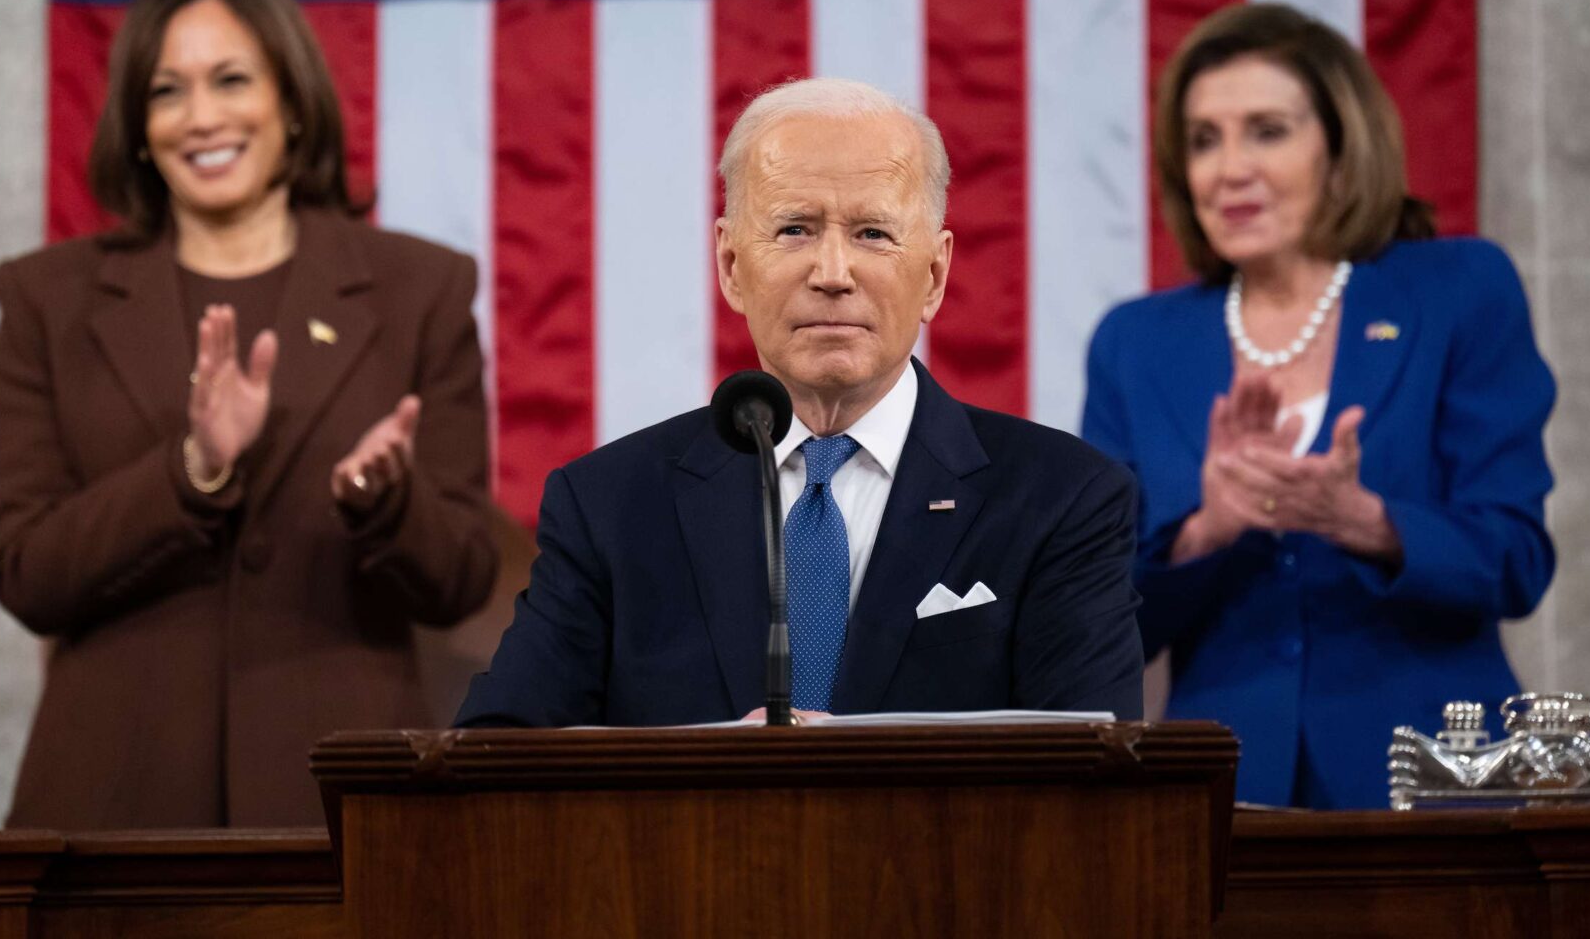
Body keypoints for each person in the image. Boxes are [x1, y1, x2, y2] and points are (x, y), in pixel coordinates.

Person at [455, 79, 1143, 729]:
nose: (832, 274)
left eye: (872, 233)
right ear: (730, 265)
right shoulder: (609, 505)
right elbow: (500, 747)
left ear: (933, 275)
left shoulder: (1062, 499)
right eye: (794, 230)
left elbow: (1096, 781)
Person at [0, 0, 499, 828]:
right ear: (137, 128)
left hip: (345, 810)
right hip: (112, 808)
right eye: (166, 92)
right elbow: (29, 576)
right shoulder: (48, 298)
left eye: (231, 79)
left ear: (293, 104)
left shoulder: (421, 289)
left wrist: (388, 504)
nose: (203, 117)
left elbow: (463, 578)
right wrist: (192, 471)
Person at [1082, 3, 1555, 809]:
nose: (1229, 167)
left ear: (1340, 148)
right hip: (1220, 800)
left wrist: (1362, 520)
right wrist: (1206, 530)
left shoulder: (1459, 291)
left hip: (1431, 786)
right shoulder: (1136, 343)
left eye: (1266, 130)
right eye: (1203, 139)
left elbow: (1515, 559)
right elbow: (1098, 621)